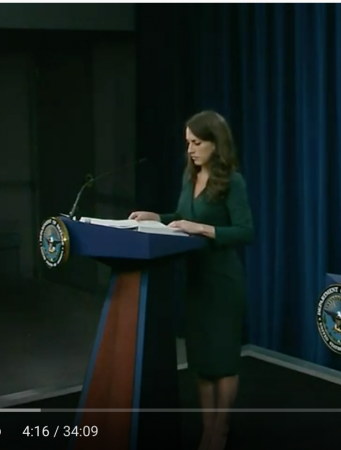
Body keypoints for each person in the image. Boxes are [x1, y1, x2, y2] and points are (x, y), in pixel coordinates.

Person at [128, 110, 253, 450]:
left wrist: (203, 229)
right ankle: (207, 429)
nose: (191, 150)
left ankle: (221, 431)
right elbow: (183, 219)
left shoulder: (232, 182)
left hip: (223, 282)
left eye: (197, 143)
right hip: (195, 281)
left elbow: (245, 231)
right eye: (188, 144)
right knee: (200, 359)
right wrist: (158, 216)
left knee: (223, 360)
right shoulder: (189, 177)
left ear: (216, 143)